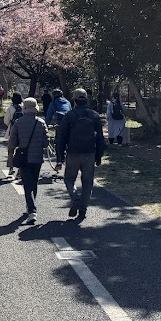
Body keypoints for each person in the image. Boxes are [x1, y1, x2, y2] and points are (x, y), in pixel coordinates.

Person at [56, 88, 105, 222]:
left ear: (74, 100)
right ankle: (83, 209)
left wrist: (60, 155)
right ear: (86, 99)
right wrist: (99, 155)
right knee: (88, 182)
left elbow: (61, 137)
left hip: (73, 152)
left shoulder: (69, 116)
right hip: (89, 153)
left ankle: (75, 198)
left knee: (69, 179)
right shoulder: (94, 115)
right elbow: (100, 138)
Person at [8, 97, 47, 224]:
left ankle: (32, 211)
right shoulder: (41, 122)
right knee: (34, 182)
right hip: (37, 158)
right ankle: (31, 206)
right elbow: (46, 143)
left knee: (27, 184)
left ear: (24, 108)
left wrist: (11, 153)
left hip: (24, 158)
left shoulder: (18, 122)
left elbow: (12, 142)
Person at [3, 92, 23, 179]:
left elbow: (6, 121)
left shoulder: (10, 108)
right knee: (22, 150)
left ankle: (11, 168)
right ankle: (20, 171)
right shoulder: (23, 107)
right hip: (23, 132)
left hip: (13, 132)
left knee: (11, 150)